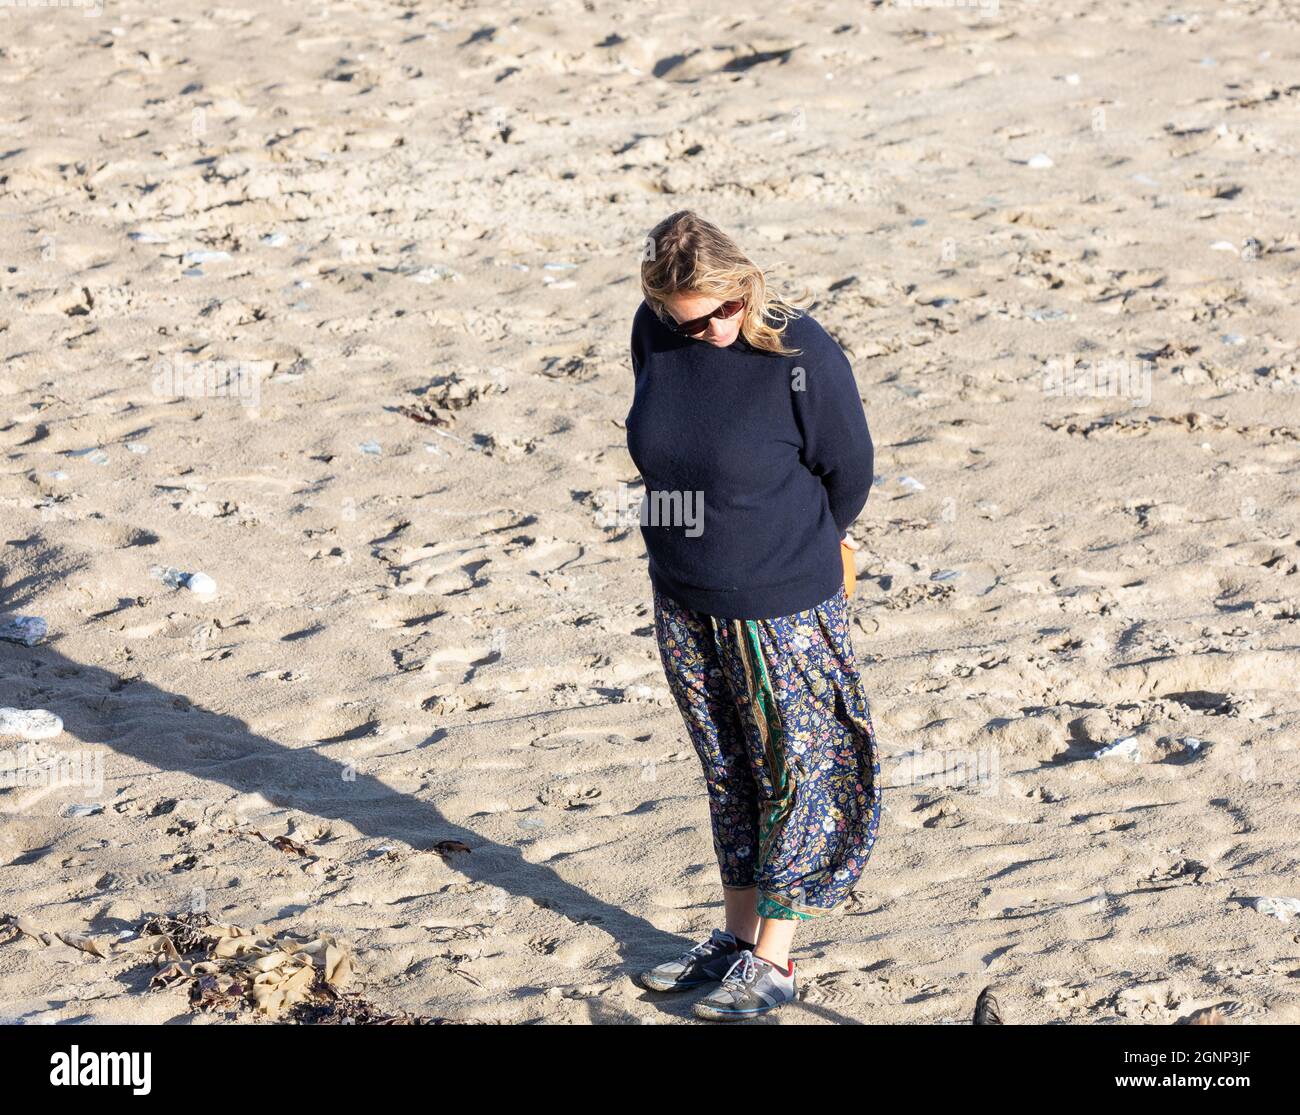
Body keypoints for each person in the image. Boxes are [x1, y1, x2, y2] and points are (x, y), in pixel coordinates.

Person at [625, 210, 883, 1021]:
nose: (707, 329)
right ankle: (736, 942)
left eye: (720, 311)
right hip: (683, 591)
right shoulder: (655, 331)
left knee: (797, 775)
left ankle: (776, 957)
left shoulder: (801, 351)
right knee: (729, 769)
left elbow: (849, 470)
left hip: (782, 603)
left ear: (745, 285)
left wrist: (797, 550)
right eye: (688, 318)